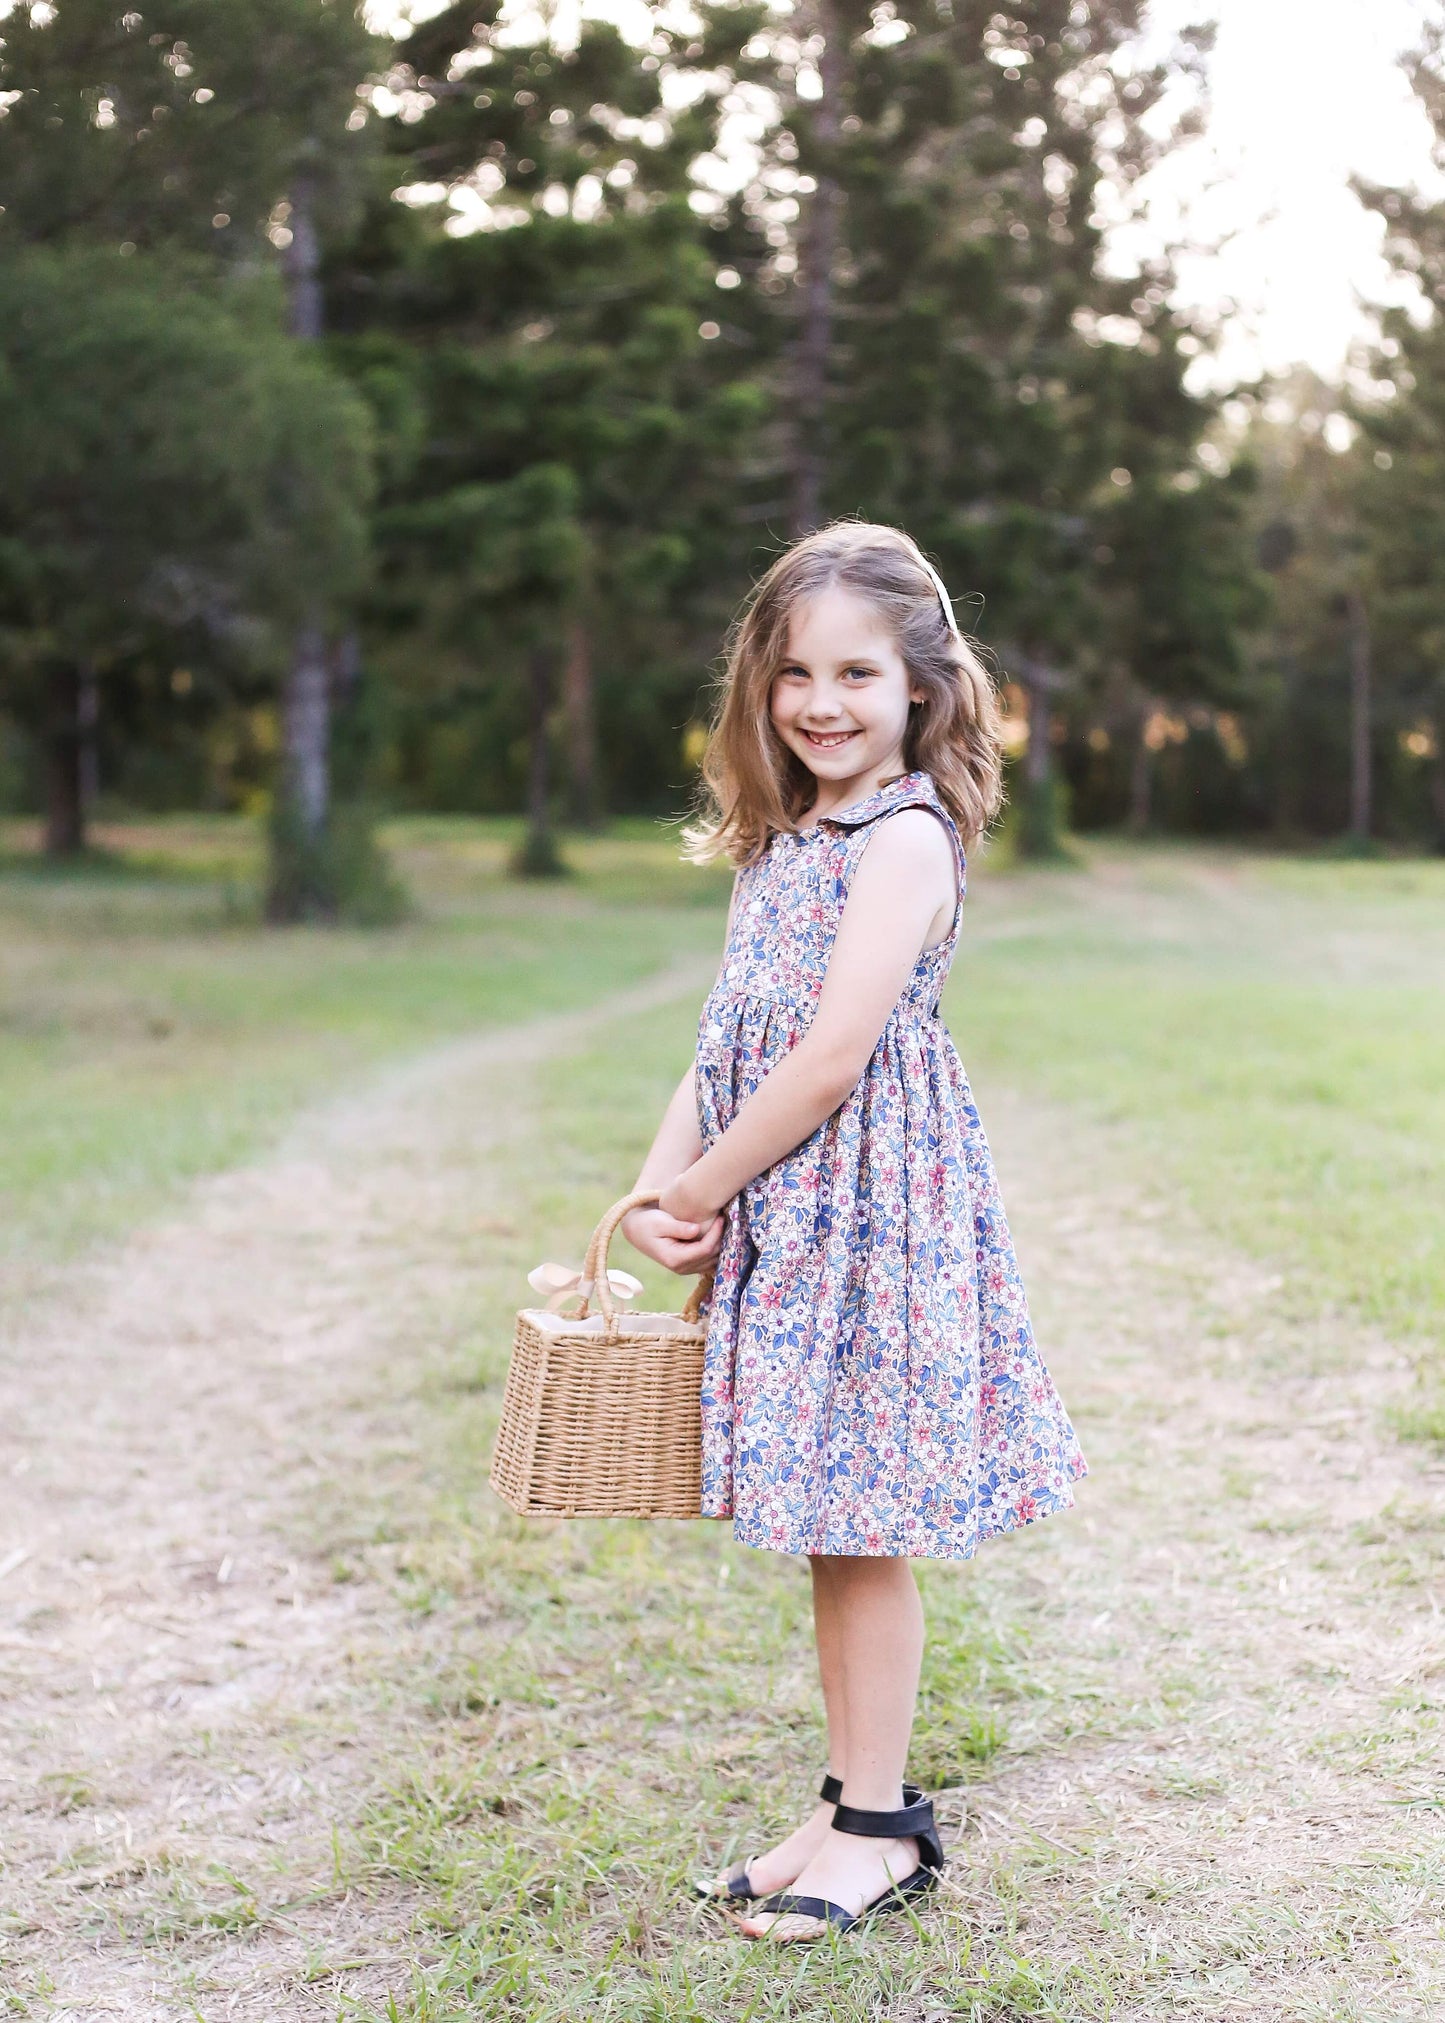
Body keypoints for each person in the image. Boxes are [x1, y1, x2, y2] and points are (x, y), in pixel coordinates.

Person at [622, 519, 1086, 1942]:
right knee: (829, 1522)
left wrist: (709, 1189)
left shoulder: (901, 839)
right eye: (796, 673)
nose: (822, 703)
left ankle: (880, 1826)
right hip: (788, 1211)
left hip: (867, 1217)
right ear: (758, 684)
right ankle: (839, 1806)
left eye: (857, 675)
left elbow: (828, 1058)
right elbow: (727, 1039)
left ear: (922, 689)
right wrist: (658, 1181)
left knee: (861, 1518)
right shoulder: (784, 839)